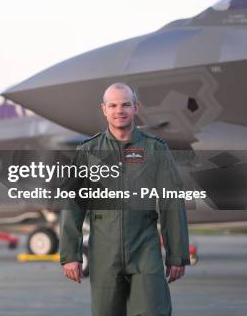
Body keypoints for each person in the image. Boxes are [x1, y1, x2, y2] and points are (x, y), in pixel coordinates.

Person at [60, 82, 190, 316]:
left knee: (154, 311)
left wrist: (177, 255)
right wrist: (71, 255)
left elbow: (172, 203)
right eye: (113, 105)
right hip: (103, 252)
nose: (119, 110)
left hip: (145, 248)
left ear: (135, 107)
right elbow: (73, 204)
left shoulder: (155, 149)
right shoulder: (88, 151)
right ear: (104, 109)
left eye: (125, 105)